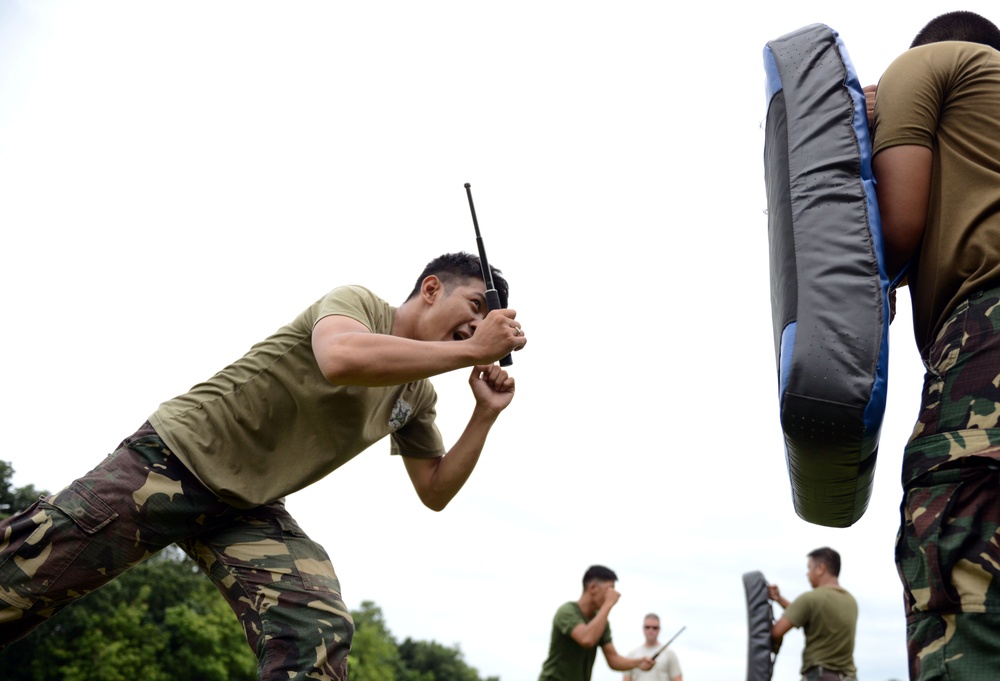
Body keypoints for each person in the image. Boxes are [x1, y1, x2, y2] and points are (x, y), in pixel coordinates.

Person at [0, 251, 526, 680]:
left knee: (314, 625)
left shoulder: (417, 394)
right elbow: (341, 359)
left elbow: (434, 489)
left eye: (488, 320)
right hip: (173, 461)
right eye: (475, 306)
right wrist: (472, 351)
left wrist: (483, 415)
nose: (479, 325)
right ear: (431, 288)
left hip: (245, 507)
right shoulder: (359, 304)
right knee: (16, 583)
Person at [868, 10, 1000, 680]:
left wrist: (877, 128)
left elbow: (898, 227)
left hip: (989, 340)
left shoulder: (930, 63)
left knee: (966, 598)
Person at [538, 565, 654, 681]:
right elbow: (587, 639)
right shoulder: (566, 611)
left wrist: (639, 662)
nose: (614, 594)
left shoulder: (601, 621)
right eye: (610, 589)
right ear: (593, 588)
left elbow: (613, 659)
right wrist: (608, 604)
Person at [768, 548, 857, 681]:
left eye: (809, 568)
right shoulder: (851, 601)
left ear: (821, 568)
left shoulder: (810, 599)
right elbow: (810, 613)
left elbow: (776, 632)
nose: (807, 574)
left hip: (820, 676)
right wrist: (779, 599)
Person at [621, 613, 682, 681]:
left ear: (659, 629)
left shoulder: (669, 654)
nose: (650, 631)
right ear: (643, 628)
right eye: (647, 627)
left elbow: (677, 679)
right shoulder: (632, 654)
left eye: (654, 628)